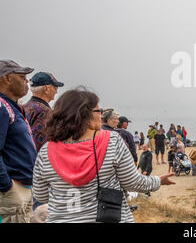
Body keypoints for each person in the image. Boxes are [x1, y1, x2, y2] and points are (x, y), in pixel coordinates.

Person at [32, 87, 175, 223]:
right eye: (99, 110)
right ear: (85, 115)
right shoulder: (112, 142)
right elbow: (133, 182)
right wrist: (157, 181)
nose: (101, 114)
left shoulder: (46, 151)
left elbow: (41, 195)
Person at [0, 60, 36, 223]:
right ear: (6, 78)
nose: (26, 81)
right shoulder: (2, 106)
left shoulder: (13, 107)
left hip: (23, 187)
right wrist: (7, 187)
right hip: (12, 188)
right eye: (22, 77)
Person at [23, 72, 64, 152]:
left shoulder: (24, 107)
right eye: (55, 87)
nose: (56, 91)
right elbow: (41, 145)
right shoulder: (45, 111)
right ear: (46, 89)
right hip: (35, 161)